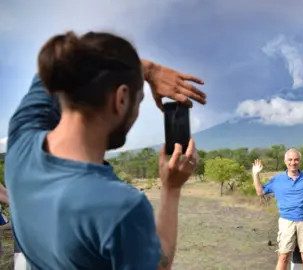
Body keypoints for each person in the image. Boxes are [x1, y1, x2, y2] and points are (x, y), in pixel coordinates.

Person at [4, 31, 206, 270]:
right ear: (121, 98)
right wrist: (171, 189)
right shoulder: (120, 207)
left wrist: (148, 71)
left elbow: (59, 69)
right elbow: (160, 266)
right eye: (139, 100)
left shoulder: (20, 141)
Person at [251, 149, 303, 270]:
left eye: (296, 159)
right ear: (285, 161)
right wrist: (255, 174)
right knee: (283, 256)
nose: (293, 162)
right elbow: (260, 192)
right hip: (286, 222)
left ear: (299, 161)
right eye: (290, 159)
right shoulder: (277, 180)